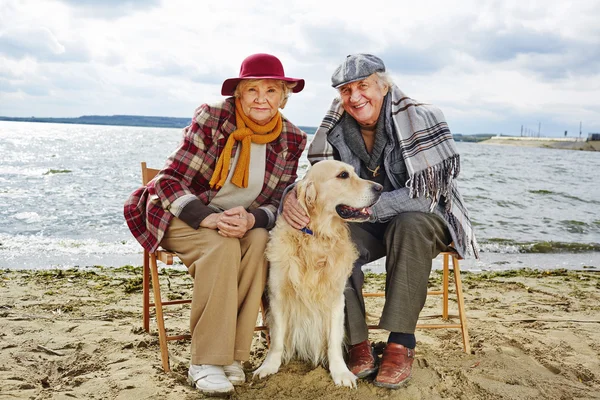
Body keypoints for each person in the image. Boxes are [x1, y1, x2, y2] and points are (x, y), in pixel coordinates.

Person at [282, 54, 478, 389]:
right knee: (329, 240)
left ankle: (401, 344)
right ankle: (356, 343)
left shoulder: (424, 117)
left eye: (363, 86)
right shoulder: (335, 130)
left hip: (425, 218)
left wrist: (371, 209)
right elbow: (318, 179)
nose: (355, 96)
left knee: (410, 225)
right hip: (364, 221)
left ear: (383, 86)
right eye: (346, 90)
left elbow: (430, 192)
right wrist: (291, 193)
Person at [124, 53, 306, 396]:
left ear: (284, 96)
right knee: (223, 245)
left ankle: (232, 358)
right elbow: (168, 182)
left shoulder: (292, 139)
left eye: (271, 90)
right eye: (252, 89)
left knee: (257, 243)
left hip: (240, 222)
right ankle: (205, 360)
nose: (261, 98)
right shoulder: (213, 118)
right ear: (238, 94)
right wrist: (208, 217)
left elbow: (279, 200)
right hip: (183, 213)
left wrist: (252, 218)